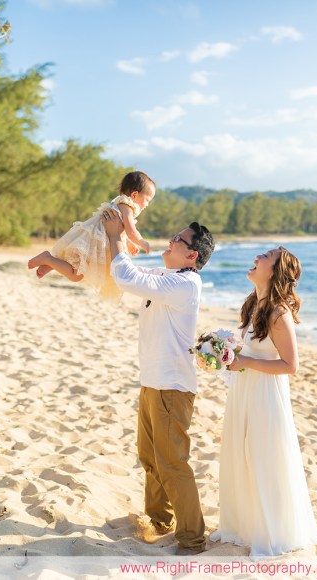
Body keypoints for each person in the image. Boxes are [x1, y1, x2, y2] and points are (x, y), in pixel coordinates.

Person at [102, 210, 215, 556]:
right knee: (149, 457)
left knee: (172, 463)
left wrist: (114, 236)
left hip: (172, 386)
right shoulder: (170, 276)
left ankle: (193, 538)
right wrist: (117, 240)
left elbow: (128, 278)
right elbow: (127, 272)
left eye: (177, 239)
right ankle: (160, 520)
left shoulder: (184, 284)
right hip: (153, 381)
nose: (170, 241)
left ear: (192, 254)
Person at [209, 247, 317, 558]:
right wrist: (224, 353)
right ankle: (246, 524)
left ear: (273, 271)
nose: (258, 256)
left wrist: (243, 361)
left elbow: (290, 365)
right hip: (244, 392)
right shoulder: (253, 304)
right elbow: (247, 353)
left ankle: (274, 529)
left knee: (263, 457)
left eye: (266, 255)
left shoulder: (278, 313)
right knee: (242, 455)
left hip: (265, 396)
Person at [27, 171, 155, 298]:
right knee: (76, 275)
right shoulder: (127, 208)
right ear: (134, 195)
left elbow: (120, 229)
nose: (147, 204)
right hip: (95, 243)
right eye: (147, 200)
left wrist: (129, 243)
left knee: (75, 270)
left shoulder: (119, 204)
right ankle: (48, 259)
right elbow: (131, 231)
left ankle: (51, 263)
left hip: (94, 240)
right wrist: (142, 242)